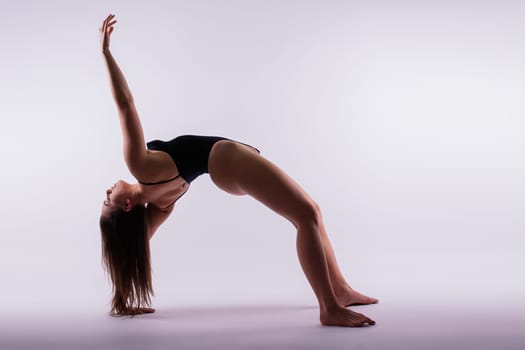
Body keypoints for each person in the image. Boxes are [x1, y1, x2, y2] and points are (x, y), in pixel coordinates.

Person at [99, 14, 377, 327]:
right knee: (306, 215)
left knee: (311, 212)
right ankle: (329, 307)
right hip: (226, 160)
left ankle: (338, 290)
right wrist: (107, 54)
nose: (107, 191)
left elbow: (133, 247)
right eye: (108, 199)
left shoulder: (161, 205)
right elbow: (126, 104)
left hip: (226, 167)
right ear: (126, 205)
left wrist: (122, 298)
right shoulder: (140, 168)